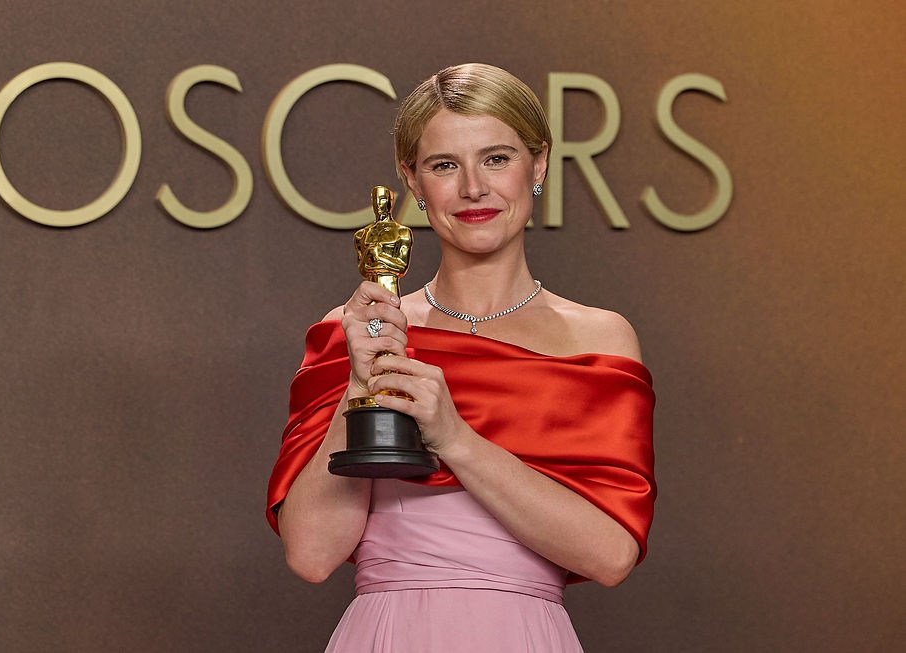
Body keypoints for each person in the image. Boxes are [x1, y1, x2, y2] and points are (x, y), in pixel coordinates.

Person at [266, 63, 656, 652]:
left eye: (496, 158)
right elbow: (312, 555)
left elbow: (611, 556)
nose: (474, 188)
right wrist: (361, 384)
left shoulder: (597, 340)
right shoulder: (357, 332)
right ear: (412, 181)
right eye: (444, 165)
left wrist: (453, 437)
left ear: (539, 164)